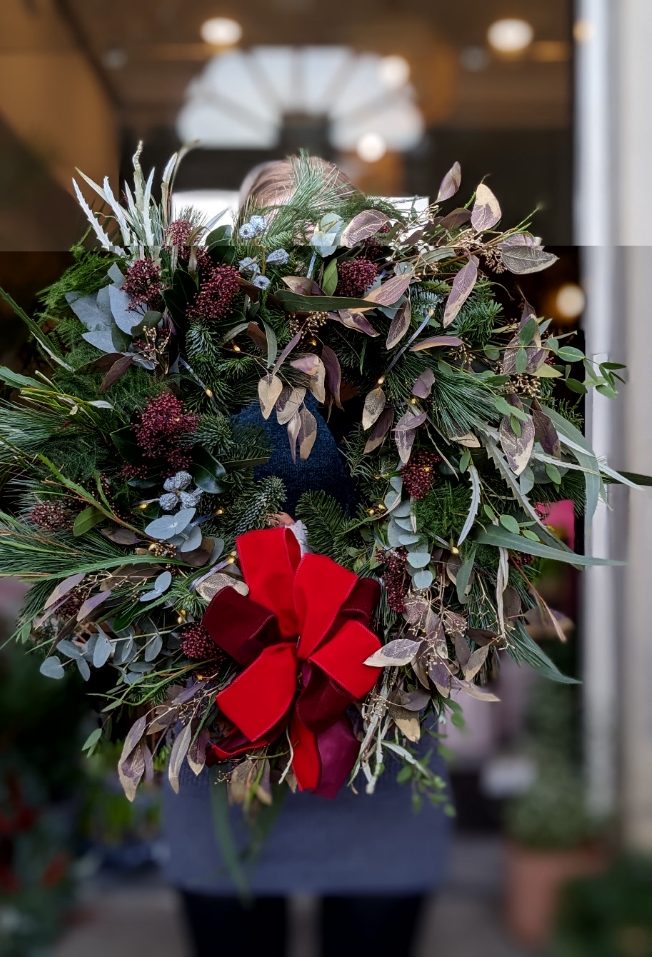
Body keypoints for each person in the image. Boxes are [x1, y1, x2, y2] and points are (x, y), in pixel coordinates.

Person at [163, 157, 452, 957]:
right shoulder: (186, 366)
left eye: (317, 236)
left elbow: (455, 534)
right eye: (278, 236)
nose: (298, 261)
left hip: (374, 749)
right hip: (228, 734)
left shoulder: (412, 368)